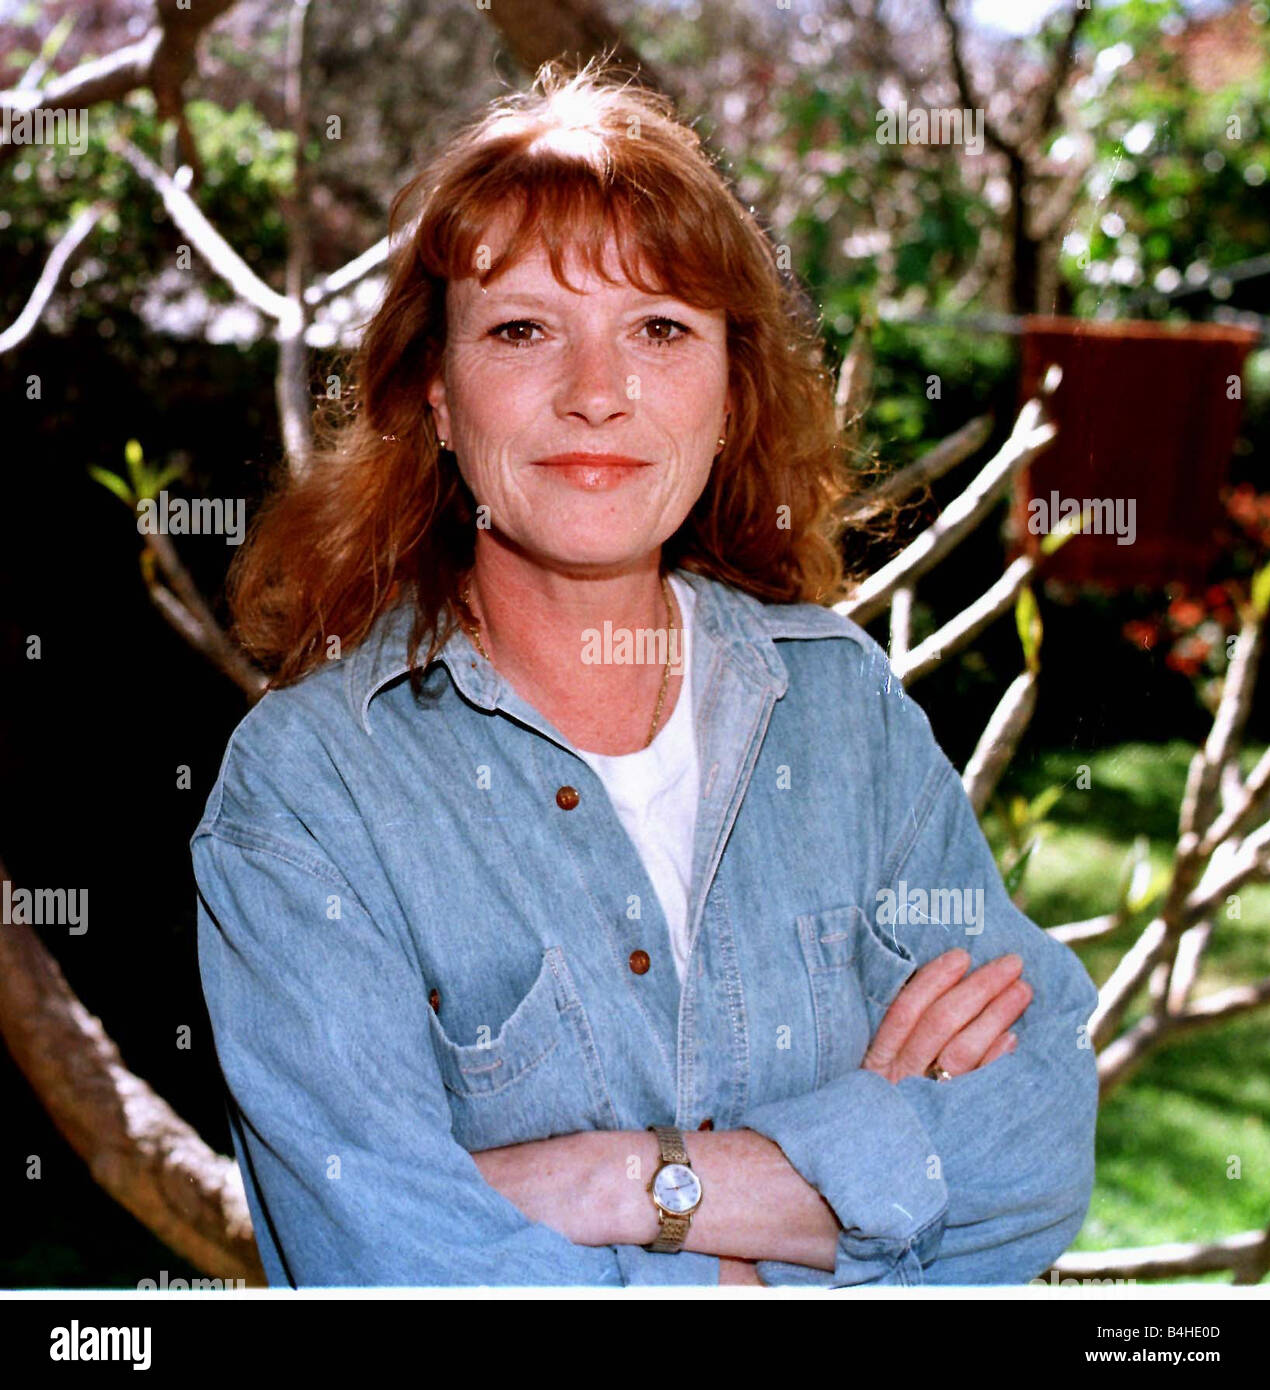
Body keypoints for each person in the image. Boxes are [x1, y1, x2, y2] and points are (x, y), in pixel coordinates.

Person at [191, 59, 1099, 1289]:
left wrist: (624, 1181)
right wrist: (796, 1240)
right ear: (437, 400)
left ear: (729, 394)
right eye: (521, 330)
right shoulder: (309, 792)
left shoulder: (838, 711)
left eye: (660, 329)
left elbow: (1037, 1142)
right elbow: (388, 1265)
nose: (595, 395)